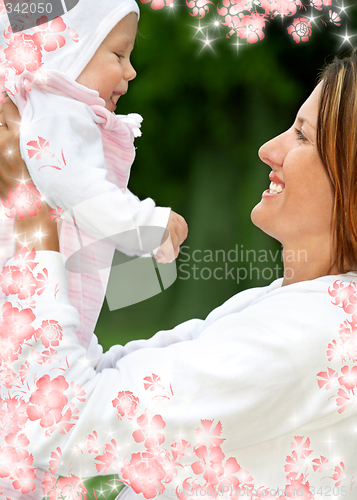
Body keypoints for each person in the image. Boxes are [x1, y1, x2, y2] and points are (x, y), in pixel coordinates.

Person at [1, 53, 357, 500]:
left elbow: (63, 428)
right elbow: (98, 376)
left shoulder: (320, 332)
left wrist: (30, 213)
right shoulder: (297, 306)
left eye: (302, 136)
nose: (270, 149)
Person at [0, 0, 188, 351]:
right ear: (71, 48)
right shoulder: (56, 112)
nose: (130, 71)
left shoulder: (46, 112)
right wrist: (148, 224)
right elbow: (75, 188)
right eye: (119, 55)